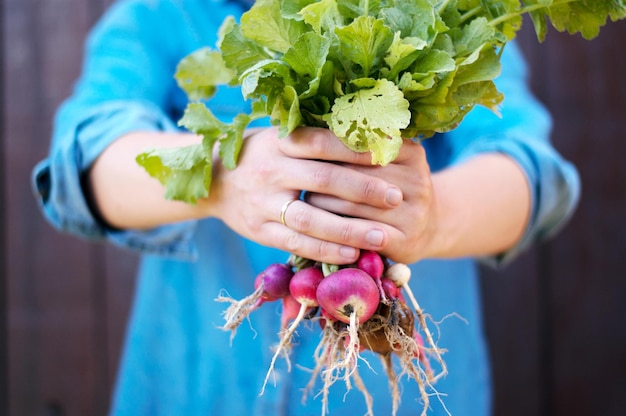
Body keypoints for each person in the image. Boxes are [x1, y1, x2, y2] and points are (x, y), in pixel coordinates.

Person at [32, 0, 580, 415]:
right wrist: (222, 178)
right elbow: (79, 161)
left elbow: (534, 176)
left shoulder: (443, 11)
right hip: (196, 386)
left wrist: (433, 218)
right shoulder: (166, 10)